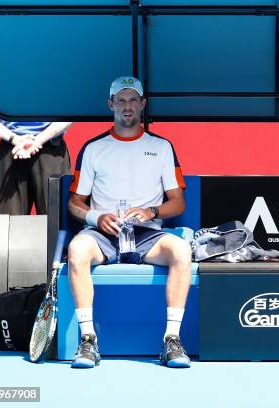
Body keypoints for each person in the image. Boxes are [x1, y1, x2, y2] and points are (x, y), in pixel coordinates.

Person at [66, 76, 191, 369]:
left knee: (182, 251)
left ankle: (172, 340)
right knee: (77, 252)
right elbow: (75, 204)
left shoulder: (162, 147)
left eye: (133, 100)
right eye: (120, 100)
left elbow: (178, 203)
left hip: (147, 235)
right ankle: (88, 341)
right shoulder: (93, 148)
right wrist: (98, 216)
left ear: (142, 104)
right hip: (102, 234)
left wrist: (152, 212)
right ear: (110, 104)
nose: (127, 106)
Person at [0, 82, 72, 215]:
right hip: (13, 148)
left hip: (49, 148)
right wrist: (15, 139)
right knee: (9, 221)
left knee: (56, 218)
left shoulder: (57, 72)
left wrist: (39, 139)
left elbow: (70, 112)